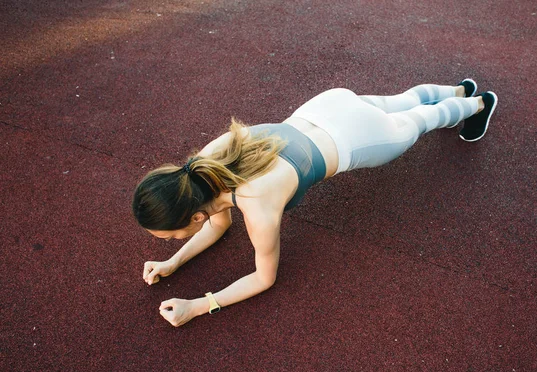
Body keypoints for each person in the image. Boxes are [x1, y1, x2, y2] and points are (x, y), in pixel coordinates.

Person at [132, 79, 498, 327]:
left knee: (419, 120)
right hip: (324, 108)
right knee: (401, 101)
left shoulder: (256, 205)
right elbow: (218, 224)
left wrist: (198, 306)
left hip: (358, 138)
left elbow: (263, 278)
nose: (169, 240)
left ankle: (478, 103)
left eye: (169, 238)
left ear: (195, 215)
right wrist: (172, 261)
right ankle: (459, 87)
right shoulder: (204, 164)